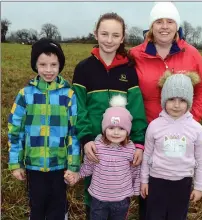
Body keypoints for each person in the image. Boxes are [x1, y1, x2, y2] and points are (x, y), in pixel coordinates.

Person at [130, 2, 202, 218]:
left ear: (177, 26)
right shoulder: (135, 55)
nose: (164, 26)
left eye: (170, 21)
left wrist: (191, 120)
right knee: (150, 203)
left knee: (176, 206)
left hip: (180, 138)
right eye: (158, 21)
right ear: (150, 26)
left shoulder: (191, 53)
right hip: (148, 133)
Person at [72, 12, 147, 219]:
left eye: (115, 35)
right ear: (96, 34)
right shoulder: (83, 68)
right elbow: (78, 108)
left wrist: (139, 143)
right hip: (94, 147)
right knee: (94, 197)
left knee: (118, 195)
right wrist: (86, 139)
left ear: (122, 38)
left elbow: (137, 109)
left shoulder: (129, 71)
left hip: (122, 147)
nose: (109, 40)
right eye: (104, 34)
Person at [8, 38, 80, 220]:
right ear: (35, 65)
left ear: (60, 65)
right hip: (34, 165)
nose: (49, 70)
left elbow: (74, 133)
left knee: (58, 206)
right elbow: (15, 130)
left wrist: (73, 165)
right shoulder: (25, 95)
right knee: (37, 206)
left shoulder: (68, 95)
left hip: (59, 165)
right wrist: (16, 163)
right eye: (43, 64)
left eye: (53, 65)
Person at [140, 71, 202, 220]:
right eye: (171, 99)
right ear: (164, 99)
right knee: (154, 215)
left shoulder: (196, 129)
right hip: (157, 181)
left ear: (189, 102)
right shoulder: (154, 126)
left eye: (182, 100)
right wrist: (144, 180)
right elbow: (147, 155)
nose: (176, 105)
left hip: (182, 183)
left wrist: (199, 187)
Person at [65, 95, 141, 220]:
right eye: (111, 128)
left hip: (121, 200)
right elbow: (88, 167)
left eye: (121, 129)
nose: (116, 132)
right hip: (99, 199)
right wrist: (76, 175)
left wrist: (135, 188)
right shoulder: (97, 146)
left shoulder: (130, 148)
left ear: (127, 131)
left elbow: (134, 170)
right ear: (104, 129)